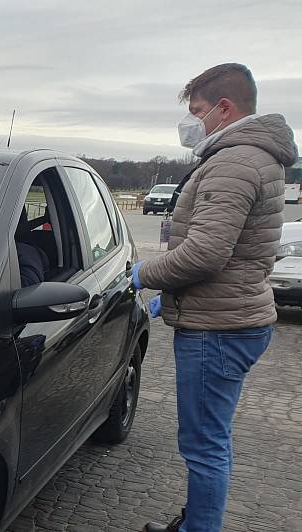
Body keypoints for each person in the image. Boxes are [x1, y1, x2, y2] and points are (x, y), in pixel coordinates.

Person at [132, 64, 298, 532]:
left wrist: (144, 274)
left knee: (204, 446)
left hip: (219, 330)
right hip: (230, 314)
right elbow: (238, 253)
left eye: (198, 111)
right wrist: (175, 297)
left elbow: (205, 252)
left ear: (225, 109)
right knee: (212, 439)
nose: (192, 122)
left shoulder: (234, 162)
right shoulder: (250, 158)